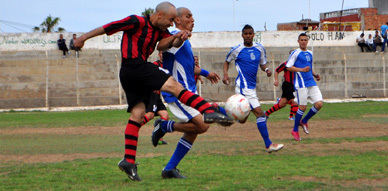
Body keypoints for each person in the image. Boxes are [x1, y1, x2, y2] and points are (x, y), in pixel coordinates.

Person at [73, 1, 231, 182]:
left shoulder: (160, 31)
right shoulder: (136, 21)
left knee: (138, 115)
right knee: (174, 86)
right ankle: (209, 110)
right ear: (160, 15)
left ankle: (128, 161)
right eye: (171, 20)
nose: (171, 24)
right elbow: (109, 27)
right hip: (135, 66)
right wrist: (82, 38)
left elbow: (163, 44)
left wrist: (179, 37)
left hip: (130, 74)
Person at [154, 7, 231, 179]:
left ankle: (169, 169)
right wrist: (178, 39)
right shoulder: (175, 34)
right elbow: (166, 45)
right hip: (177, 93)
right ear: (178, 20)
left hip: (189, 93)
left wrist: (206, 73)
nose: (193, 20)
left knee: (194, 130)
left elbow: (188, 66)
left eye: (193, 17)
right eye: (188, 17)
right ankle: (165, 126)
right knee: (202, 125)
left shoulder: (185, 39)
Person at [222, 24, 284, 153]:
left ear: (253, 35)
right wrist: (226, 75)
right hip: (244, 87)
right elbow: (227, 61)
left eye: (250, 33)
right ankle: (269, 145)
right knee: (260, 115)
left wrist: (266, 69)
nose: (248, 36)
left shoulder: (259, 49)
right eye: (246, 34)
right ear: (242, 35)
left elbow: (262, 63)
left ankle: (217, 111)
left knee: (243, 120)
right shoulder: (237, 50)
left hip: (251, 87)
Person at [286, 33, 323, 141]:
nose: (303, 41)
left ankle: (304, 121)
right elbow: (288, 67)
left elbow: (310, 68)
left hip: (311, 82)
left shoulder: (310, 53)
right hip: (301, 84)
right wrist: (301, 70)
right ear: (298, 41)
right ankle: (295, 130)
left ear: (307, 41)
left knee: (319, 103)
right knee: (302, 107)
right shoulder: (295, 53)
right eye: (301, 40)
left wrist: (315, 74)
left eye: (305, 40)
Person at [264, 50, 298, 121]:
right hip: (287, 85)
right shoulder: (286, 64)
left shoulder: (298, 65)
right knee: (294, 101)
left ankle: (266, 113)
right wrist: (276, 80)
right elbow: (277, 71)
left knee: (282, 104)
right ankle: (299, 120)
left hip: (293, 86)